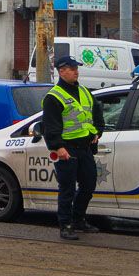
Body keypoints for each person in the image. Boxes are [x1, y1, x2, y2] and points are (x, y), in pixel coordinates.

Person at [40, 55, 104, 241]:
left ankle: (78, 219)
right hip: (67, 148)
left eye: (77, 67)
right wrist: (58, 147)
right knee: (67, 188)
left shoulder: (84, 91)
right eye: (72, 68)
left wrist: (98, 132)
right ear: (61, 71)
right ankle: (66, 225)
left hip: (84, 148)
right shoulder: (54, 96)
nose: (76, 71)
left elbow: (97, 112)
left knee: (89, 185)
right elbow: (50, 126)